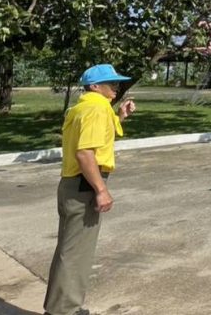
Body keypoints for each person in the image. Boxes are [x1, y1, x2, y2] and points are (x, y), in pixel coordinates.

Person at [44, 64, 136, 315]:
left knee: (69, 249)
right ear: (95, 86)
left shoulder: (83, 107)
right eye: (111, 83)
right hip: (85, 184)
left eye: (117, 82)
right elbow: (85, 153)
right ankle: (65, 311)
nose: (116, 87)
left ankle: (59, 307)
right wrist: (101, 189)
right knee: (77, 253)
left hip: (72, 184)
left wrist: (120, 116)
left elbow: (97, 138)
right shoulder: (96, 108)